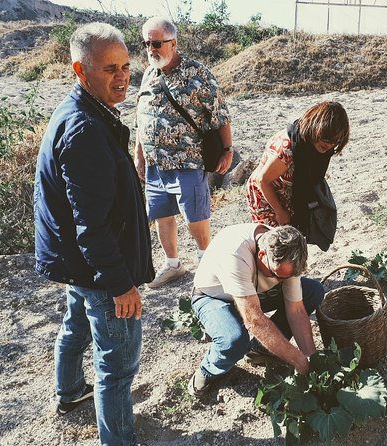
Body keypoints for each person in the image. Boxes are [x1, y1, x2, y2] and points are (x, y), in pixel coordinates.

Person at [34, 23, 154, 445]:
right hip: (99, 267)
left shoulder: (84, 110)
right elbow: (92, 226)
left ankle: (68, 394)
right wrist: (122, 286)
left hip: (77, 262)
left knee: (75, 327)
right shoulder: (86, 128)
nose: (123, 76)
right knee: (117, 369)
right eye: (109, 69)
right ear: (80, 71)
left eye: (125, 65)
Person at [135, 16, 233, 288]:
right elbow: (141, 117)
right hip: (156, 163)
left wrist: (227, 150)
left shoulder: (196, 74)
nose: (151, 49)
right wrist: (139, 154)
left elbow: (220, 114)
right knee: (161, 214)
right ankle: (172, 264)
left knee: (195, 215)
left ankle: (206, 263)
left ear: (173, 43)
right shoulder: (148, 74)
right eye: (146, 43)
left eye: (156, 43)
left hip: (186, 161)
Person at [187, 224, 324, 396]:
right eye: (278, 276)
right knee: (234, 340)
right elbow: (255, 321)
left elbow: (295, 310)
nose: (282, 281)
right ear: (262, 255)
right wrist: (299, 361)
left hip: (253, 293)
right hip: (214, 297)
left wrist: (311, 358)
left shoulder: (288, 254)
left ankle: (259, 350)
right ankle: (207, 371)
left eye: (287, 277)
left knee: (312, 292)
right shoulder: (235, 254)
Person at [246, 101, 349, 230]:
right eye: (326, 138)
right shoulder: (288, 149)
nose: (330, 145)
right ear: (315, 127)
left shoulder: (315, 146)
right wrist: (280, 211)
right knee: (274, 242)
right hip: (267, 197)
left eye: (336, 141)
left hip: (288, 194)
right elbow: (262, 180)